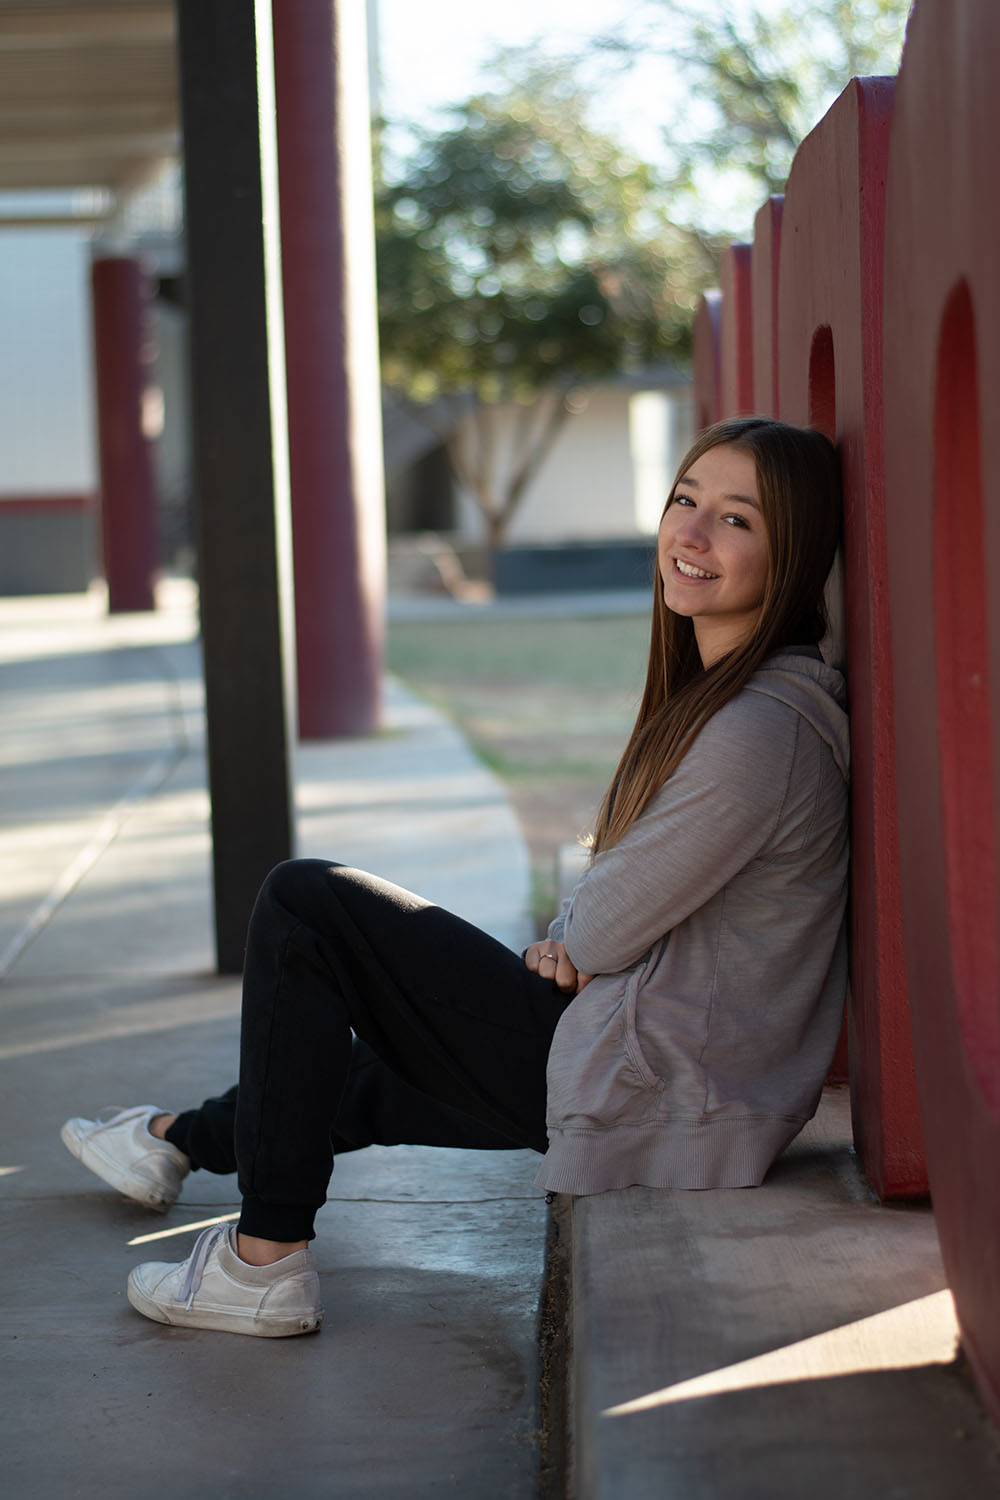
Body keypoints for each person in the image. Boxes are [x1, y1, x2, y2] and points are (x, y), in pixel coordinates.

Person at [61, 415, 849, 1338]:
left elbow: (600, 925)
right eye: (686, 500)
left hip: (667, 1086)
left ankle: (262, 1263)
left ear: (792, 555)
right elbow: (613, 896)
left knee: (306, 902)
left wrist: (579, 939)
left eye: (737, 520)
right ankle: (173, 1143)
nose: (692, 532)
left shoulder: (760, 732)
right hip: (667, 1066)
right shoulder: (733, 704)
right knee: (365, 1067)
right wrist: (581, 934)